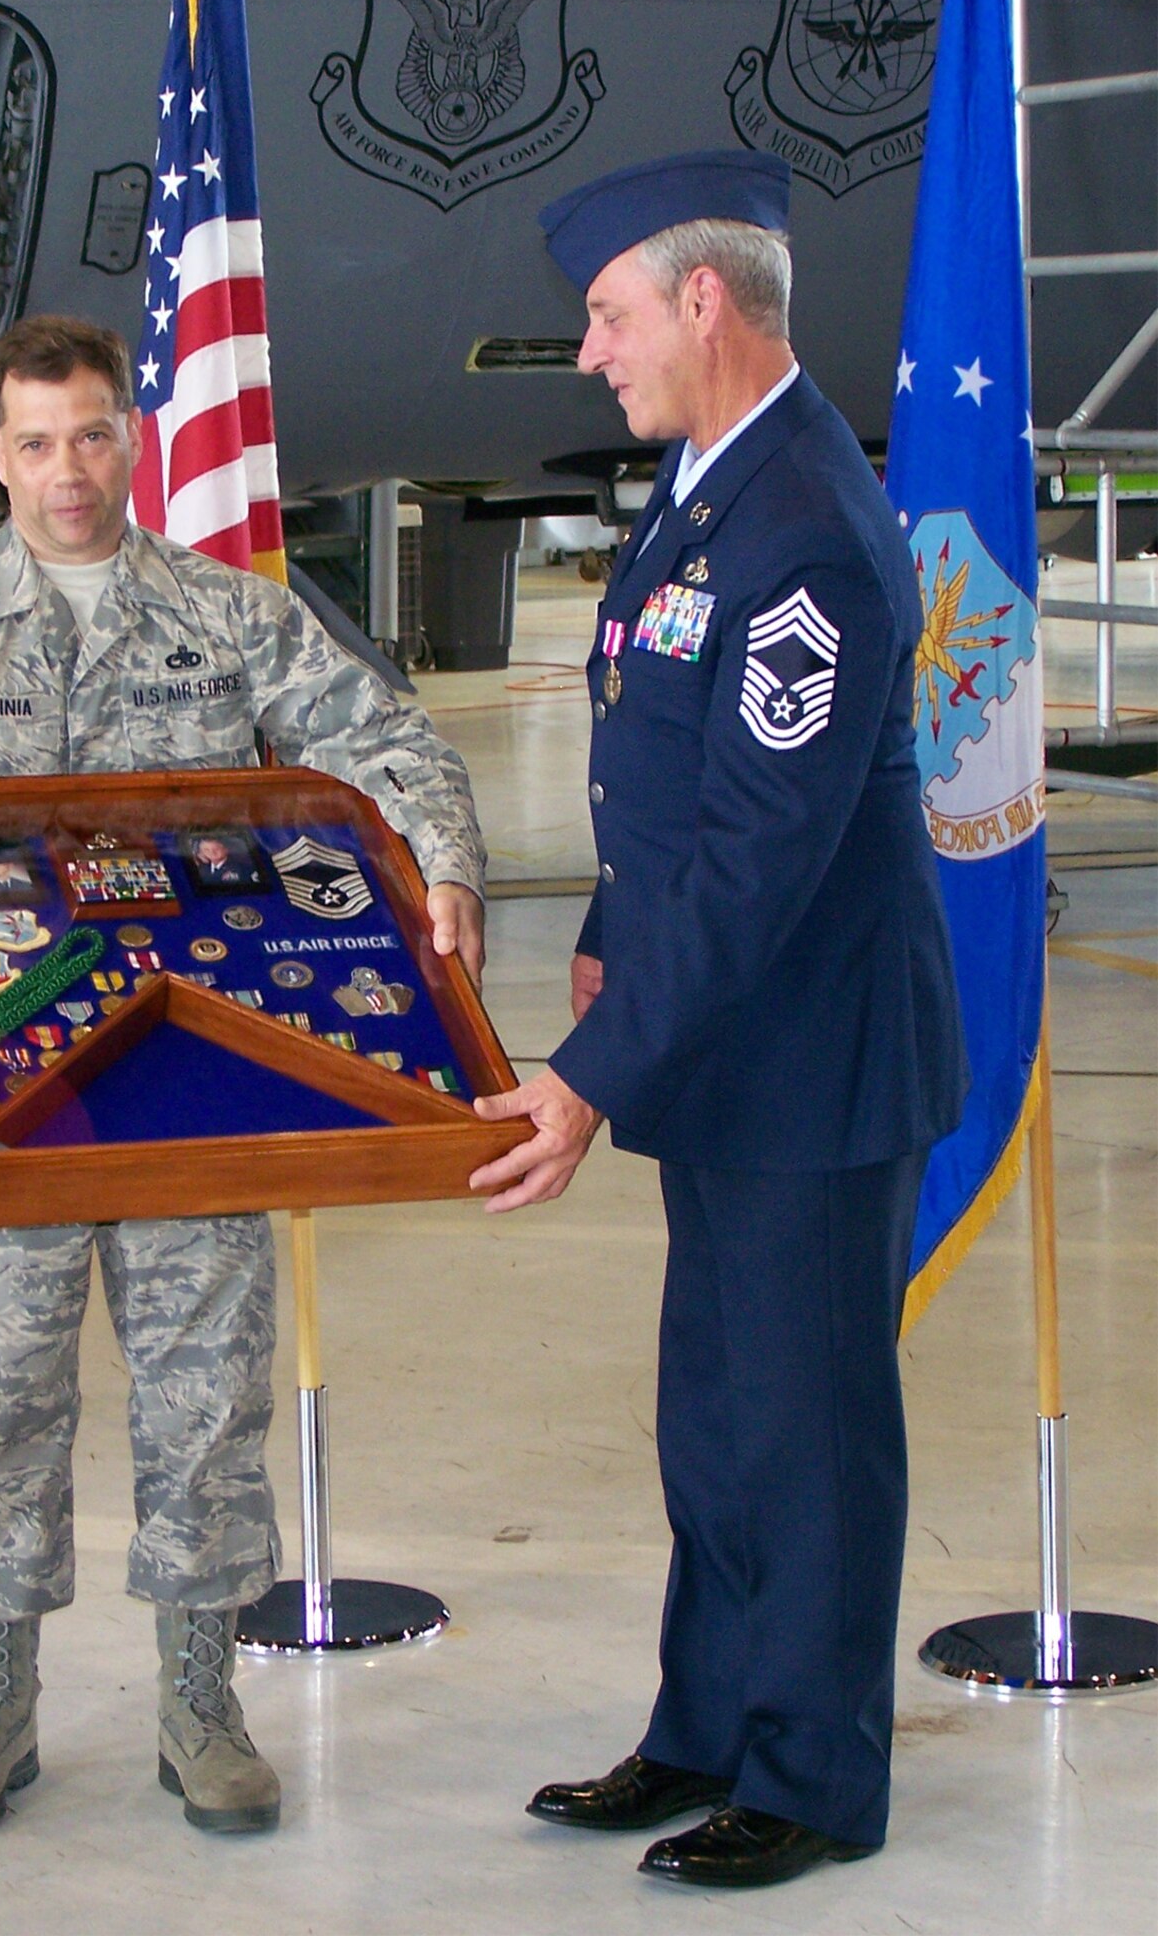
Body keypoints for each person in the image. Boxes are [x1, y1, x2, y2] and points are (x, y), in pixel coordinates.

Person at [0, 314, 486, 1840]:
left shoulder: (229, 615)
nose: (65, 469)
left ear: (129, 436)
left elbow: (385, 739)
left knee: (202, 1400)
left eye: (89, 433)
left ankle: (199, 1703)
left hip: (199, 1083)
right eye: (32, 441)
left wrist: (444, 871)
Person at [469, 152, 967, 1890]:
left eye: (605, 316)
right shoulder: (703, 490)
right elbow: (661, 767)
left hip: (814, 1063)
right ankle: (703, 1729)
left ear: (700, 299)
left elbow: (763, 854)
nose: (589, 351)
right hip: (728, 1050)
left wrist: (586, 1079)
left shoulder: (807, 527)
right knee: (717, 1420)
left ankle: (813, 1778)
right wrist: (610, 940)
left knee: (806, 1432)